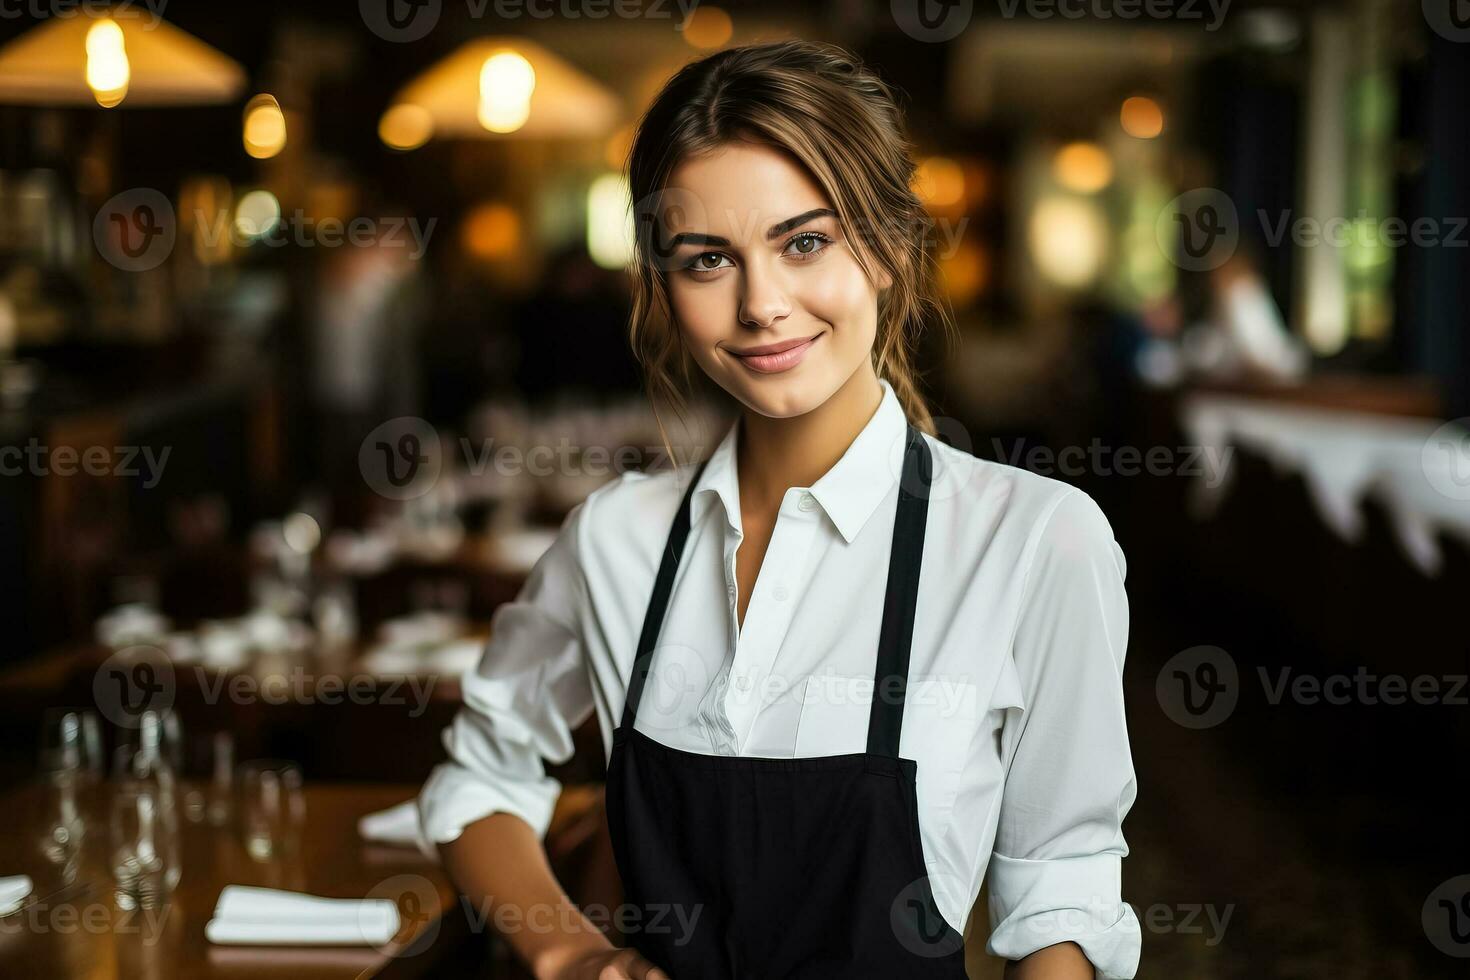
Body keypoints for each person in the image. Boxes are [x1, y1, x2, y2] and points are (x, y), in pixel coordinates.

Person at [417, 40, 1139, 979]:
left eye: (805, 242)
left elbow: (1061, 891)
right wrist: (568, 956)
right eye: (708, 259)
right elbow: (478, 780)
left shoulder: (1037, 540)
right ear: (664, 288)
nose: (762, 305)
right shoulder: (614, 541)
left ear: (886, 250)